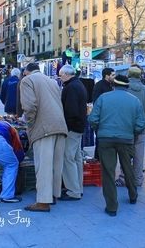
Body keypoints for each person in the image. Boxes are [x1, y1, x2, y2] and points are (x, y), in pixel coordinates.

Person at [88, 75, 145, 216]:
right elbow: (141, 124)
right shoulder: (135, 101)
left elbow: (93, 119)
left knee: (108, 172)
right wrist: (132, 133)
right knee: (128, 168)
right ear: (127, 86)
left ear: (113, 85)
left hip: (105, 139)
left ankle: (112, 207)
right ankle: (133, 195)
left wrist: (99, 130)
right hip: (126, 139)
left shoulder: (103, 98)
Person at [20, 63, 68, 212]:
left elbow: (29, 106)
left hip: (44, 127)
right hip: (60, 125)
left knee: (43, 166)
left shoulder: (27, 80)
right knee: (55, 165)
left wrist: (30, 123)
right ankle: (53, 195)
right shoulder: (52, 81)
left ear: (26, 72)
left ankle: (43, 202)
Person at [115, 66, 145, 187]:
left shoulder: (124, 88)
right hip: (140, 126)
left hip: (125, 126)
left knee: (125, 154)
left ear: (129, 75)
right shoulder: (144, 89)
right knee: (139, 154)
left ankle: (123, 178)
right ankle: (137, 180)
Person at [59, 65, 87, 201]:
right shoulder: (78, 84)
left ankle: (73, 191)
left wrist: (67, 127)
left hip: (72, 128)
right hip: (78, 127)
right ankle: (78, 188)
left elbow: (71, 111)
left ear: (66, 74)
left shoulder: (70, 87)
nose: (60, 78)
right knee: (76, 158)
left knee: (68, 158)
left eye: (61, 75)